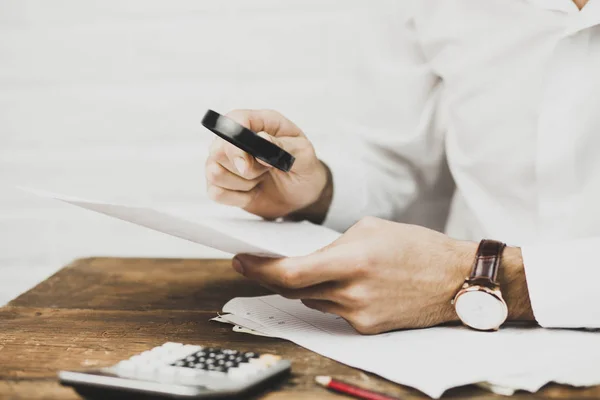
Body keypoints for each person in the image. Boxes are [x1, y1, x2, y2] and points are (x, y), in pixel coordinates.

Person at [204, 0, 600, 334]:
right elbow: (396, 165)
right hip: (457, 342)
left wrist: (476, 277)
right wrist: (316, 191)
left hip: (459, 309)